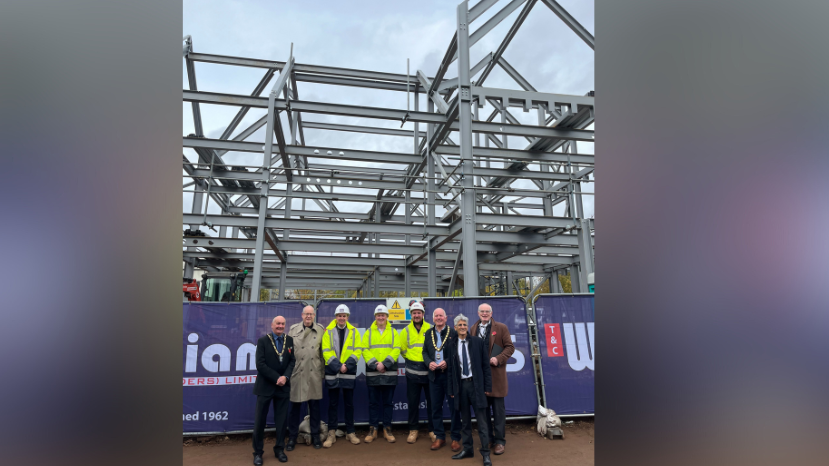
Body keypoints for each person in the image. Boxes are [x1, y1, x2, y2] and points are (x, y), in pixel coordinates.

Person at [470, 303, 514, 456]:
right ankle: (488, 438)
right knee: (483, 411)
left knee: (498, 411)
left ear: (491, 313)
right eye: (482, 311)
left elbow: (510, 347)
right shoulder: (473, 329)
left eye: (487, 311)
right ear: (478, 313)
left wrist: (498, 358)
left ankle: (500, 441)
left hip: (496, 376)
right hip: (480, 378)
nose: (484, 313)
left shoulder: (501, 328)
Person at [447, 314, 492, 466]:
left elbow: (486, 366)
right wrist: (452, 389)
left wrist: (487, 387)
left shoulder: (478, 342)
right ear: (455, 328)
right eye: (459, 325)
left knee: (482, 421)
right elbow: (450, 371)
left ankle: (485, 453)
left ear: (467, 327)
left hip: (476, 386)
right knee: (465, 421)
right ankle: (468, 449)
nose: (462, 327)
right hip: (461, 387)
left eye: (464, 325)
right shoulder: (451, 345)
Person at [252, 316, 296, 465]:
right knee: (260, 421)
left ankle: (279, 449)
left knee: (282, 421)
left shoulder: (289, 340)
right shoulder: (263, 341)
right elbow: (260, 364)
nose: (280, 326)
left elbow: (292, 361)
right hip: (265, 387)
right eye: (278, 323)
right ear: (272, 325)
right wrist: (277, 377)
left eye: (283, 324)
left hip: (283, 387)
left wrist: (286, 377)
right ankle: (258, 453)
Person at [320, 304, 362, 447]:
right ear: (336, 317)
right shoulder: (328, 331)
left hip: (348, 372)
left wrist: (346, 366)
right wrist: (338, 366)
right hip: (333, 372)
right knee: (333, 404)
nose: (341, 318)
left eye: (344, 316)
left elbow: (357, 351)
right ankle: (331, 433)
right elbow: (325, 351)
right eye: (339, 315)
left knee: (349, 404)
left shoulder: (354, 331)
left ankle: (350, 432)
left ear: (347, 317)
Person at [286, 305, 326, 450]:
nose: (308, 316)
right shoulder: (293, 330)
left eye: (311, 314)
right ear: (302, 315)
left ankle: (315, 436)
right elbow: (288, 353)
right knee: (294, 408)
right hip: (297, 374)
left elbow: (323, 354)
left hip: (313, 373)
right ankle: (292, 437)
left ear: (314, 316)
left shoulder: (321, 329)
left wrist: (321, 373)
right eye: (306, 314)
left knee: (314, 407)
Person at [422, 308, 462, 451]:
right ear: (433, 319)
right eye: (436, 316)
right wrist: (428, 363)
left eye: (441, 316)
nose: (439, 318)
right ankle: (440, 437)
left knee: (454, 408)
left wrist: (447, 361)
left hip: (450, 376)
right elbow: (424, 352)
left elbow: (458, 351)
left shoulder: (453, 332)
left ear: (446, 318)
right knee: (435, 408)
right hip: (434, 377)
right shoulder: (428, 333)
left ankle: (456, 438)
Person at [361, 304, 400, 443]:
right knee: (373, 403)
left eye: (383, 315)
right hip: (373, 373)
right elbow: (364, 349)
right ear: (375, 317)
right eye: (378, 315)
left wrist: (385, 364)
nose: (381, 317)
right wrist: (375, 365)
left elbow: (397, 349)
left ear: (387, 317)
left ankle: (387, 429)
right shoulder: (368, 332)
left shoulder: (393, 332)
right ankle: (373, 429)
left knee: (388, 403)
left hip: (388, 374)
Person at [398, 301, 436, 444]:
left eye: (419, 313)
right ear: (411, 314)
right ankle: (413, 430)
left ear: (423, 314)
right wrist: (412, 359)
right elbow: (402, 350)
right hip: (412, 373)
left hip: (429, 372)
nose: (416, 315)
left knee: (432, 403)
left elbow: (435, 348)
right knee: (413, 403)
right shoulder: (405, 331)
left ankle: (432, 430)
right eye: (414, 313)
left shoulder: (431, 328)